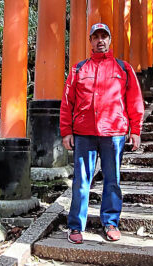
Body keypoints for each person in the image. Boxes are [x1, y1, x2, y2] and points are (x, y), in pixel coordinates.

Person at [60, 22, 144, 244]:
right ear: (90, 41)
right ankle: (76, 226)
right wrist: (66, 131)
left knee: (113, 179)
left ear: (109, 39)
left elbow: (134, 100)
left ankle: (110, 222)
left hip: (114, 132)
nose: (100, 40)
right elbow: (67, 102)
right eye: (95, 37)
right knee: (81, 181)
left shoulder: (123, 68)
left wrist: (135, 130)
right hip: (84, 132)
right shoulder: (79, 69)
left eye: (104, 36)